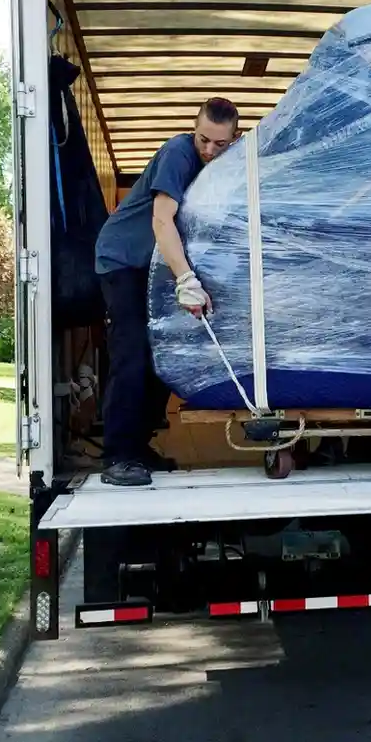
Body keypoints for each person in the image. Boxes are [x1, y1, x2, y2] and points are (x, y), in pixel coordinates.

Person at [94, 97, 241, 487]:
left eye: (219, 144)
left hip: (157, 265)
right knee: (132, 354)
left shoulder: (228, 164)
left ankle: (139, 447)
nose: (209, 150)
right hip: (125, 259)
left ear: (234, 139)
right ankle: (118, 457)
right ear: (194, 130)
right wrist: (186, 281)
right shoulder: (179, 153)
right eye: (203, 139)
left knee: (165, 354)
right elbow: (162, 219)